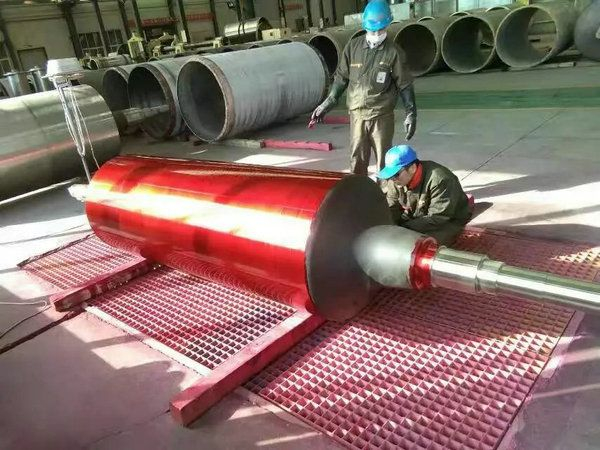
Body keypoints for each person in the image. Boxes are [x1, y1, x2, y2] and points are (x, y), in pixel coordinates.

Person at [310, 0, 417, 176]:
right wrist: (327, 103)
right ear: (365, 27)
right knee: (357, 161)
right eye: (372, 30)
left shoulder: (394, 52)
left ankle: (384, 192)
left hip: (381, 117)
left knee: (385, 163)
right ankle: (358, 191)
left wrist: (411, 114)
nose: (376, 34)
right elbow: (341, 79)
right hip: (357, 116)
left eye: (380, 30)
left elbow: (405, 85)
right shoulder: (353, 48)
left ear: (387, 26)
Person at [377, 145, 471, 246]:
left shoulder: (441, 180)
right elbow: (391, 207)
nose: (392, 179)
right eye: (390, 175)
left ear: (412, 168)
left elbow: (438, 217)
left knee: (422, 246)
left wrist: (403, 229)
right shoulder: (395, 181)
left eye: (396, 174)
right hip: (416, 216)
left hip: (448, 220)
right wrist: (389, 226)